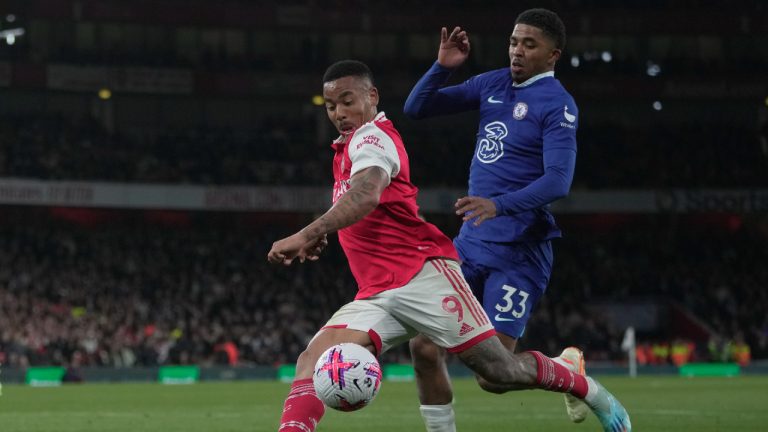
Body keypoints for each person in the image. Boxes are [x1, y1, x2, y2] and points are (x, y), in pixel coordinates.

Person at [268, 59, 631, 432]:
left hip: (424, 278)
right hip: (378, 291)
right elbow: (360, 204)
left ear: (372, 96)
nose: (340, 113)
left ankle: (588, 388)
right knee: (312, 360)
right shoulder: (345, 149)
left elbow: (368, 193)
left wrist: (308, 232)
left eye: (348, 101)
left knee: (499, 371)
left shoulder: (372, 137)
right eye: (331, 107)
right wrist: (330, 228)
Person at [403, 9, 589, 431]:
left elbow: (558, 182)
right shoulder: (493, 83)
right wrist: (442, 66)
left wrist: (500, 205)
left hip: (520, 252)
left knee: (493, 376)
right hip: (470, 244)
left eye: (529, 44)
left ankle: (564, 368)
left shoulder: (558, 104)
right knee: (424, 347)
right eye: (513, 42)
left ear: (553, 54)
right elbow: (417, 108)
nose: (517, 52)